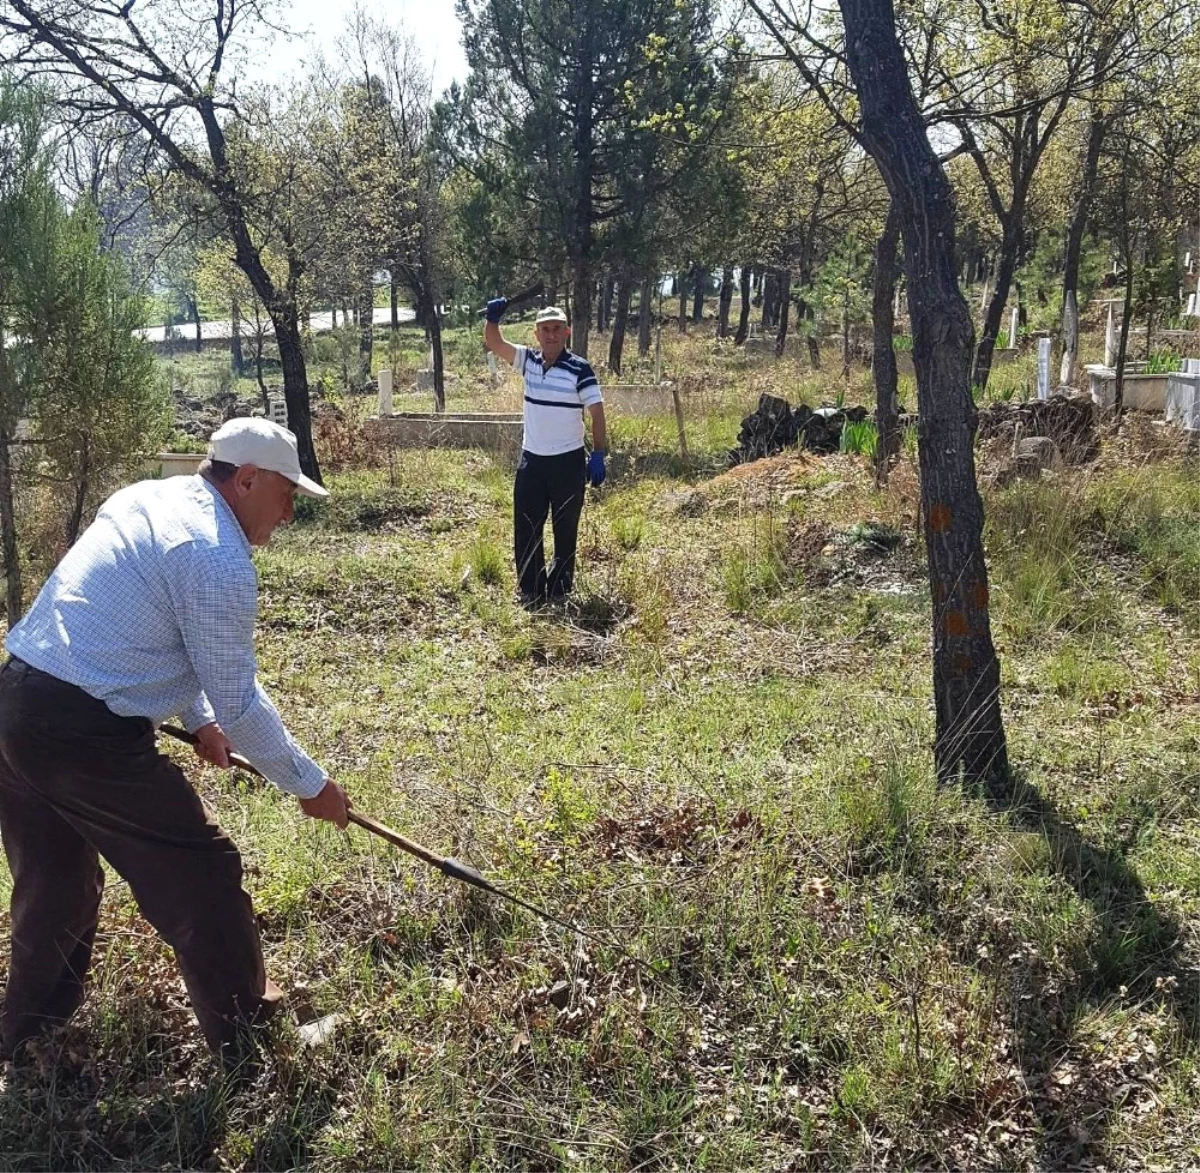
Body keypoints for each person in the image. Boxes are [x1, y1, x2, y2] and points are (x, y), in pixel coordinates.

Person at [0, 418, 350, 1069]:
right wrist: (312, 785)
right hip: (83, 732)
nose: (290, 509)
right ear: (246, 479)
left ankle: (27, 1040)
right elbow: (244, 703)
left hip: (18, 700)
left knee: (54, 884)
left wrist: (201, 717)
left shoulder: (150, 497)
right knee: (204, 878)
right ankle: (250, 1046)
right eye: (286, 492)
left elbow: (146, 619)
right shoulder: (216, 557)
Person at [483, 300, 608, 607]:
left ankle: (560, 589)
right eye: (545, 330)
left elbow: (597, 412)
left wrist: (598, 454)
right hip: (532, 460)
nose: (551, 335)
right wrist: (492, 319)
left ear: (566, 332)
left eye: (556, 329)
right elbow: (495, 343)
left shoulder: (580, 369)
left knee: (565, 528)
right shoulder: (528, 361)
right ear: (536, 334)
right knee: (526, 525)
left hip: (568, 461)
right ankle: (531, 588)